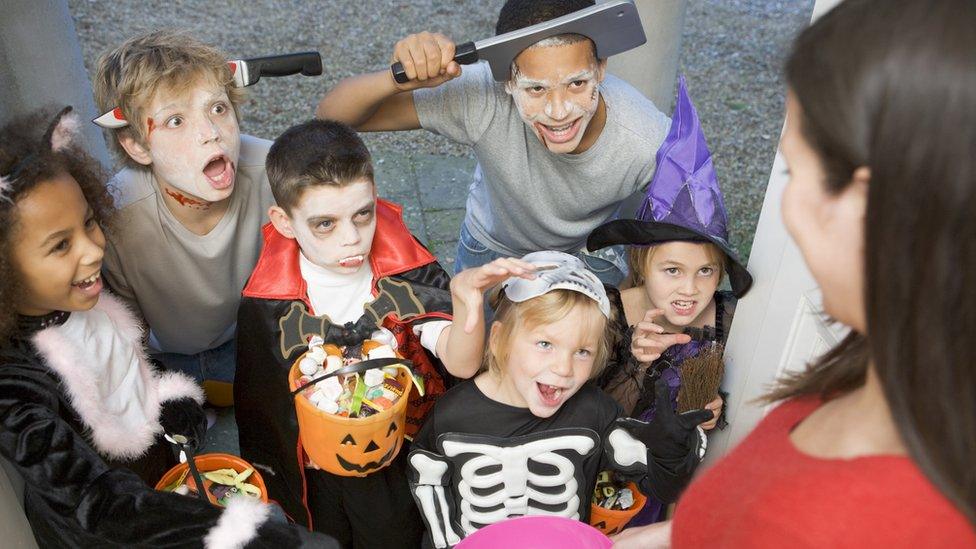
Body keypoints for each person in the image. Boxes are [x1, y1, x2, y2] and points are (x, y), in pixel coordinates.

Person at [614, 0, 976, 546]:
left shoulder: (861, 515)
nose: (787, 208)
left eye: (793, 169)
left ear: (862, 200)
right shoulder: (873, 369)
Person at [0, 106, 333, 548]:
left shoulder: (76, 302)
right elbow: (96, 506)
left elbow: (126, 364)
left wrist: (175, 407)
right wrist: (243, 533)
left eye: (88, 223)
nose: (93, 249)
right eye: (60, 245)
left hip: (166, 484)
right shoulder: (18, 384)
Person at [235, 119, 486, 547]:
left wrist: (468, 305)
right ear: (284, 222)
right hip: (314, 474)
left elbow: (461, 362)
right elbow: (263, 406)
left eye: (363, 215)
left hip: (392, 460)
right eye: (325, 224)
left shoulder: (408, 277)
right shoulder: (269, 304)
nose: (352, 239)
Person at [316, 0, 670, 286]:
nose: (558, 110)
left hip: (587, 251)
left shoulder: (646, 138)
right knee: (476, 353)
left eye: (576, 84)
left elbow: (690, 232)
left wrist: (637, 289)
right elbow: (333, 116)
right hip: (494, 245)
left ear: (601, 68)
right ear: (506, 82)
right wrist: (397, 81)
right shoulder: (481, 97)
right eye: (536, 89)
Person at [406, 251, 713, 548]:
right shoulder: (452, 414)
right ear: (499, 339)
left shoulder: (595, 412)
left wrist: (670, 453)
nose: (564, 368)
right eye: (545, 344)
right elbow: (428, 480)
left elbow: (663, 485)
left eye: (582, 352)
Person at [586, 77, 753, 524]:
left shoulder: (729, 318)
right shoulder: (615, 310)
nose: (690, 289)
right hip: (613, 468)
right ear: (643, 266)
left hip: (681, 481)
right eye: (672, 270)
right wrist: (637, 362)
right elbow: (597, 412)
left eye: (706, 272)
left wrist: (715, 411)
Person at [92, 30, 275, 406]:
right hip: (166, 358)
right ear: (138, 145)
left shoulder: (274, 173)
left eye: (218, 108)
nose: (211, 134)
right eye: (176, 121)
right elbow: (126, 327)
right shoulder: (116, 217)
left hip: (253, 338)